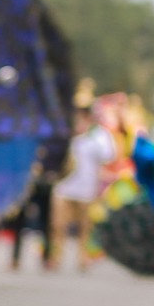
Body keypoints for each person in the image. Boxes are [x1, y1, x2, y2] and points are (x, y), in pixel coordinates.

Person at [50, 102, 116, 271]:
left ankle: (83, 257)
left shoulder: (98, 135)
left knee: (85, 226)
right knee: (58, 224)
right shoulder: (65, 133)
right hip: (64, 185)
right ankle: (56, 256)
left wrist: (89, 135)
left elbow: (108, 155)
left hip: (86, 187)